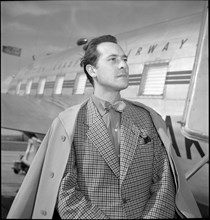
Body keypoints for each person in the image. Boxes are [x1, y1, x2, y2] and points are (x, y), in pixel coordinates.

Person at [7, 35, 201, 219]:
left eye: (124, 59)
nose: (123, 65)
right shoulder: (68, 122)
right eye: (113, 60)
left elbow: (164, 182)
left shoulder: (149, 118)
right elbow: (64, 190)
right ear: (92, 71)